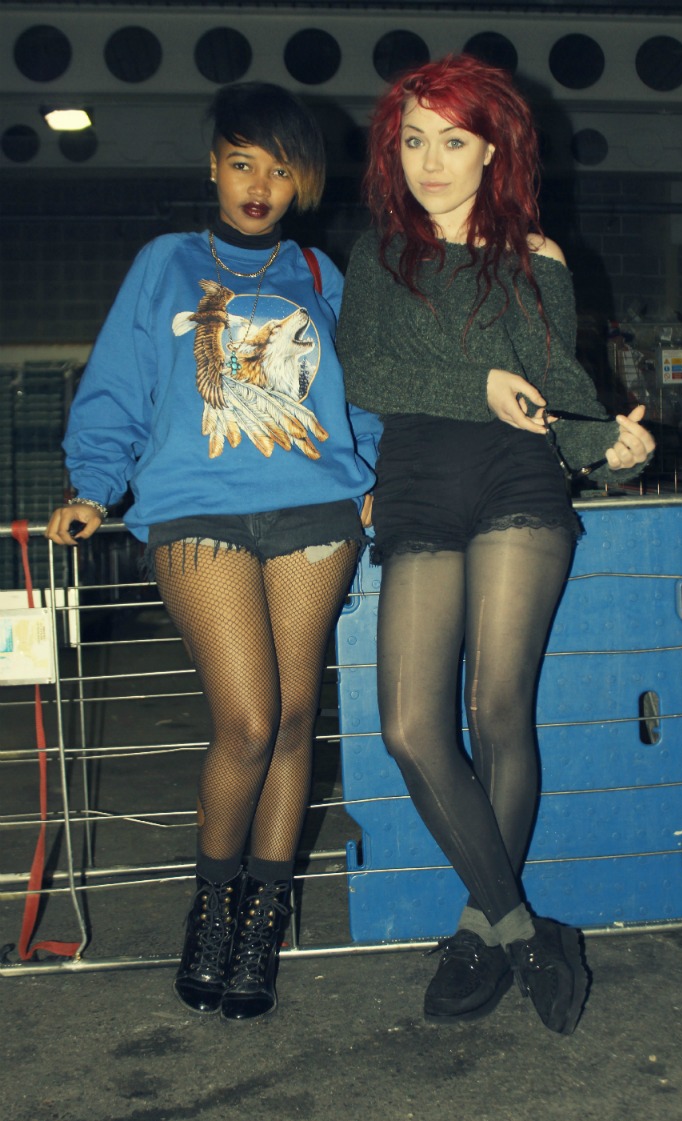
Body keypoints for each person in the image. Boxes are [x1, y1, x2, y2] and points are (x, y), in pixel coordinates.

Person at [46, 82, 379, 1022]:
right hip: (196, 511)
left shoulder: (319, 272)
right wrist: (93, 486)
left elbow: (360, 393)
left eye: (280, 169)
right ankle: (214, 903)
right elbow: (118, 386)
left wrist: (375, 472)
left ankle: (262, 921)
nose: (259, 185)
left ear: (302, 182)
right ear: (213, 168)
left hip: (316, 508)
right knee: (247, 719)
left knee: (296, 715)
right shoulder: (165, 264)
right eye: (242, 164)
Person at [336, 54, 654, 1034]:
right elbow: (365, 373)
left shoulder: (535, 256)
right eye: (413, 140)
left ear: (492, 150)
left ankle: (477, 932)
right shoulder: (379, 256)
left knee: (497, 709)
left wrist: (611, 449)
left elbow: (557, 387)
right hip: (420, 484)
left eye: (453, 140)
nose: (430, 160)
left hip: (518, 479)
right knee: (408, 727)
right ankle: (523, 928)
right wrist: (476, 384)